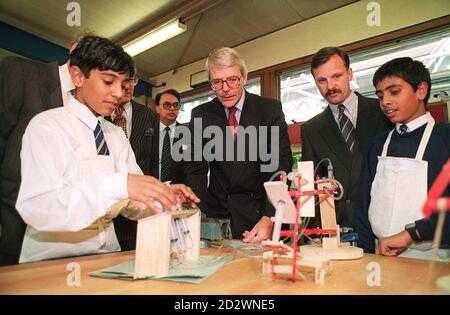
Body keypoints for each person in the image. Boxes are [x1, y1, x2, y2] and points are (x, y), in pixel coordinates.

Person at [15, 35, 199, 263]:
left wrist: (161, 195)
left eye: (123, 84)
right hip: (53, 261)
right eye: (108, 81)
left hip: (107, 257)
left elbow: (133, 203)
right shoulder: (47, 126)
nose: (119, 93)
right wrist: (118, 184)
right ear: (77, 76)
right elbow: (39, 208)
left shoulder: (115, 135)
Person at [184, 47, 292, 243]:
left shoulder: (269, 111)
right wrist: (198, 212)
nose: (225, 88)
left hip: (259, 215)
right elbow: (195, 170)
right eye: (217, 82)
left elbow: (279, 169)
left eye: (232, 79)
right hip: (217, 217)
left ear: (244, 78)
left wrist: (270, 217)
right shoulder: (201, 115)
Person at [0, 33, 88, 266]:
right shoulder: (20, 72)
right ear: (73, 50)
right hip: (13, 222)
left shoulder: (90, 107)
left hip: (63, 238)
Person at [356, 57, 450, 259]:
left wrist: (411, 234)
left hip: (432, 260)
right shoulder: (379, 144)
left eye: (394, 92)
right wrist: (366, 255)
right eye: (380, 95)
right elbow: (364, 205)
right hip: (380, 255)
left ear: (421, 91)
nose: (385, 102)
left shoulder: (445, 139)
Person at [301, 47, 393, 230]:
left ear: (349, 74)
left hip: (383, 224)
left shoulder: (383, 112)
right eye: (322, 80)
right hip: (339, 229)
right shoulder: (311, 129)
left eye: (336, 76)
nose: (330, 86)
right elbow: (309, 187)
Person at [110, 77, 160, 251]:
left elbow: (153, 163)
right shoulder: (101, 117)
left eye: (131, 80)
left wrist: (158, 192)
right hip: (103, 218)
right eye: (119, 80)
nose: (127, 86)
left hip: (138, 211)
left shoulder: (148, 115)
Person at [154, 89, 186, 184]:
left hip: (177, 190)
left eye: (176, 105)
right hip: (151, 189)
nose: (172, 108)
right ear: (157, 108)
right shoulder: (147, 132)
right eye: (167, 105)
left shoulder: (187, 134)